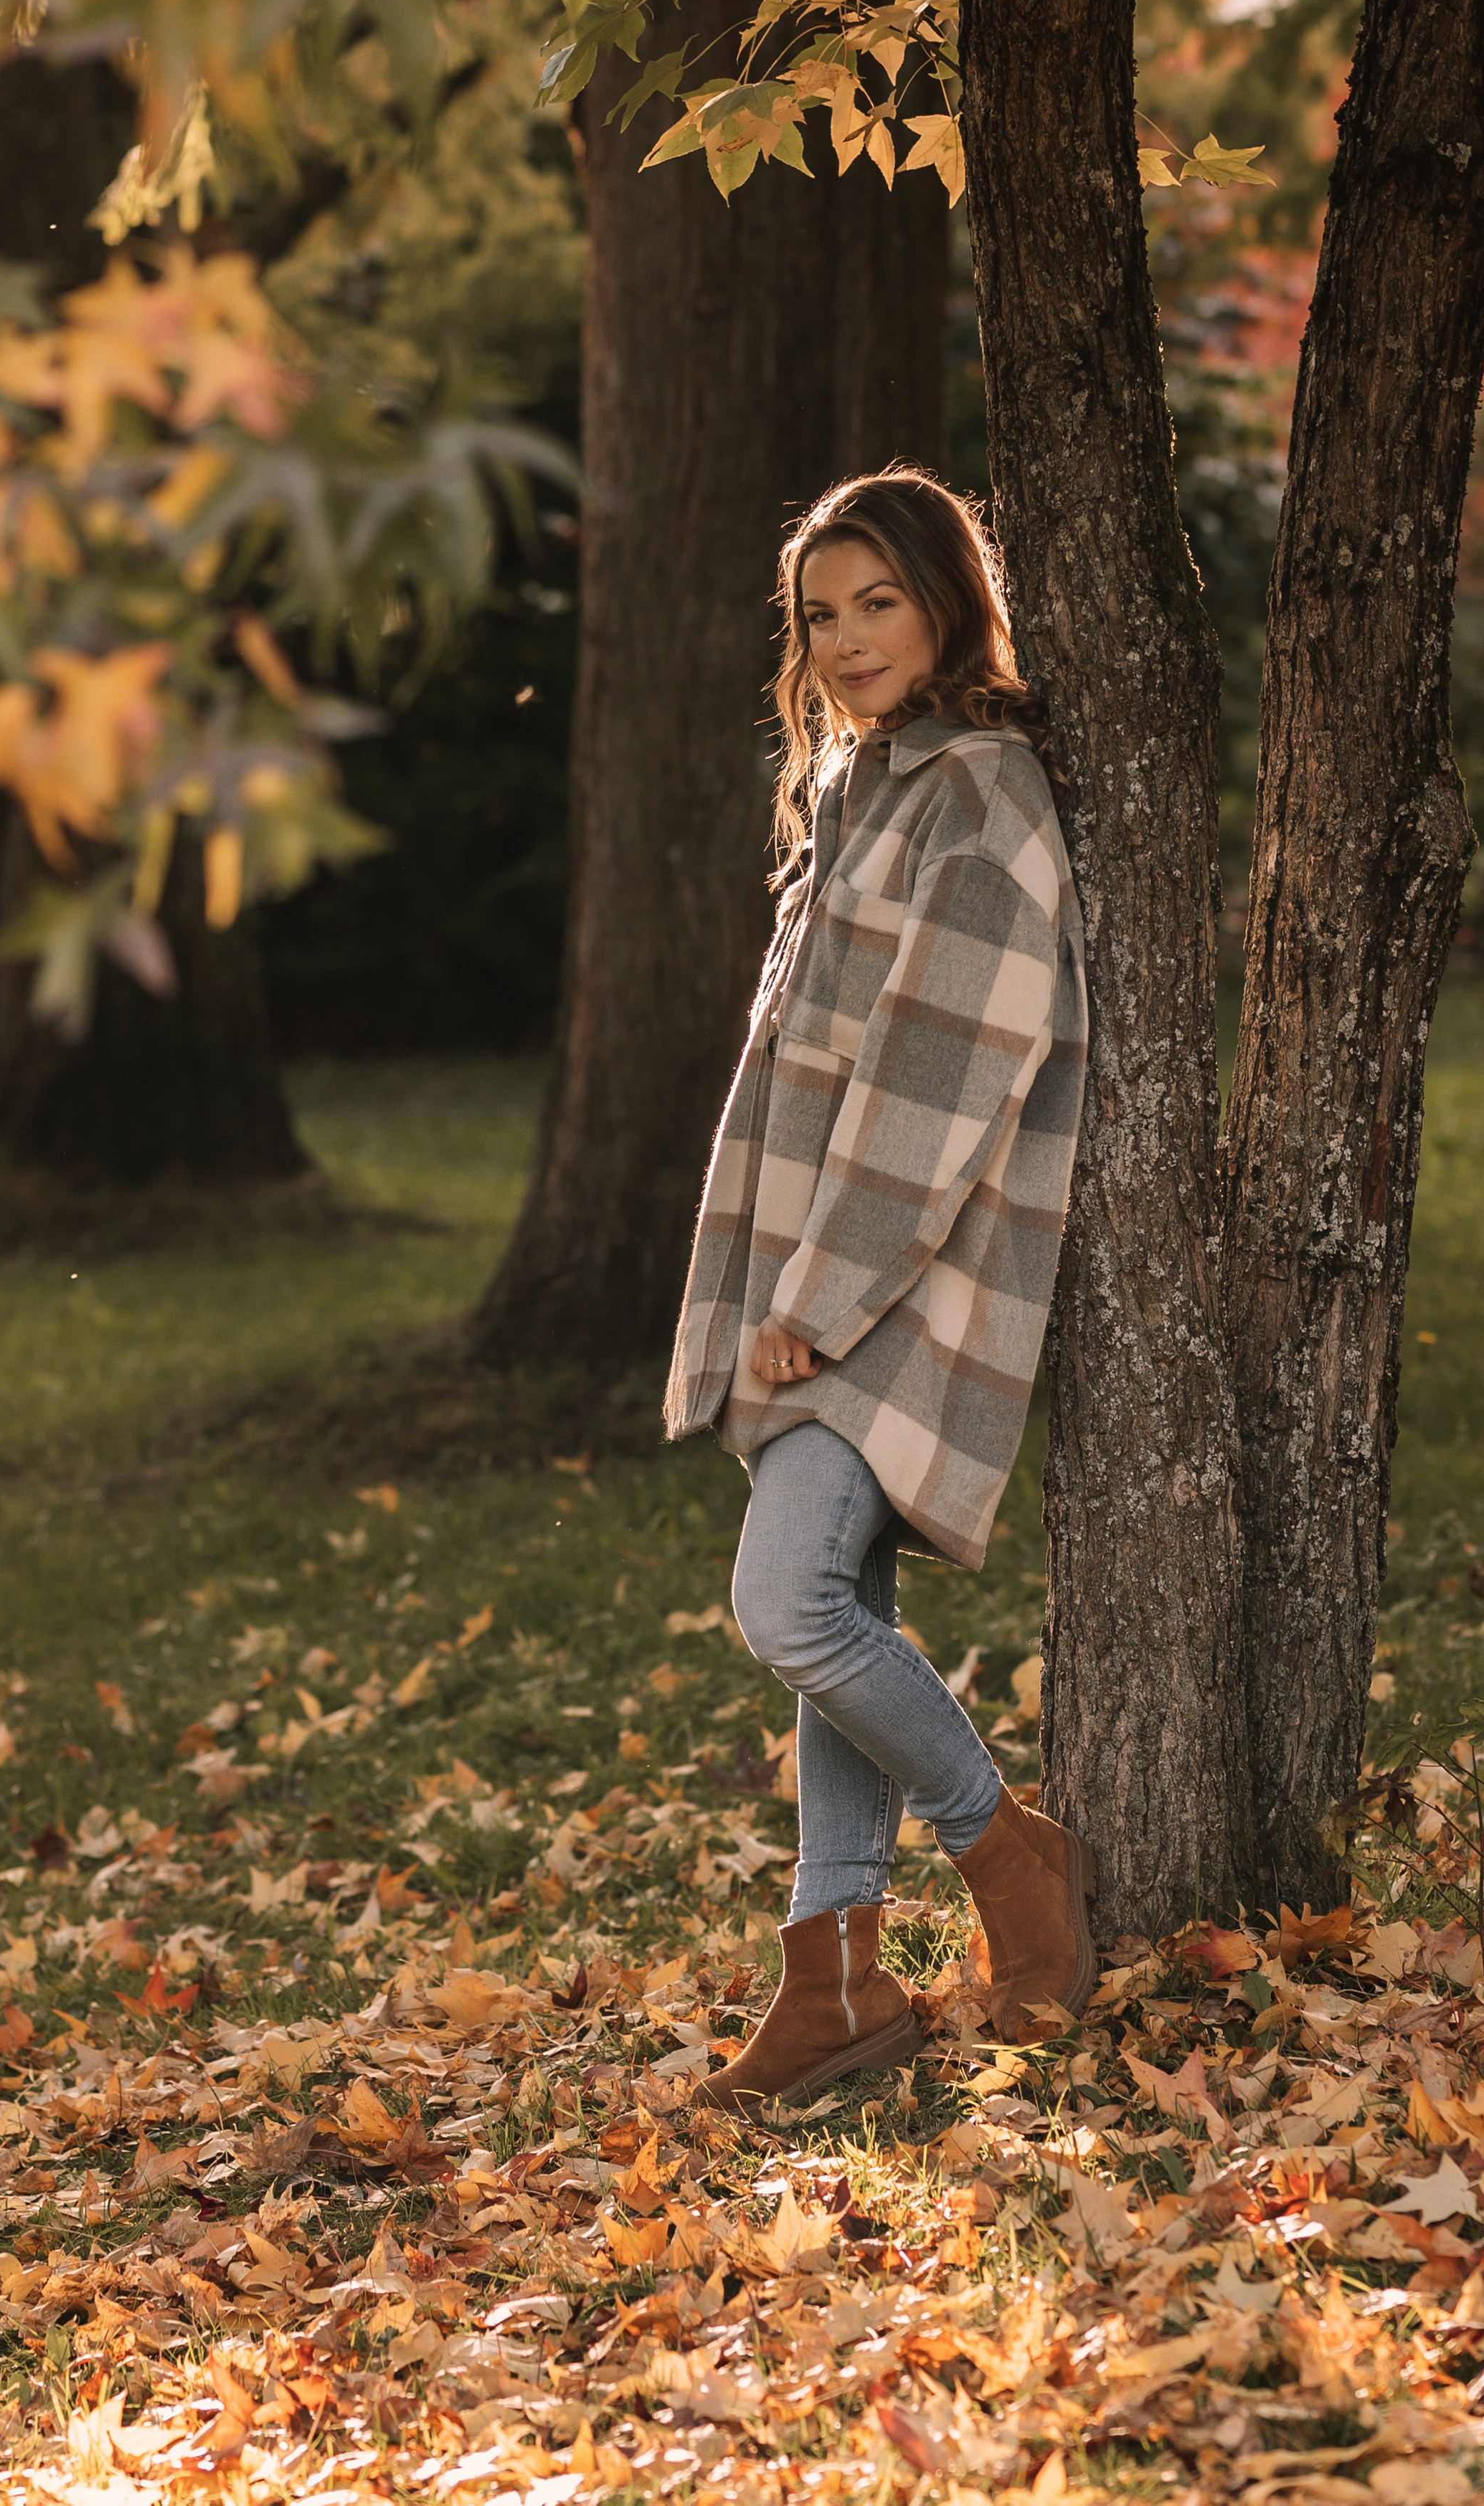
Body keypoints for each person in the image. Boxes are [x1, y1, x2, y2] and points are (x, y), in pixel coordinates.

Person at [664, 465, 1092, 2114]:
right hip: (824, 1273)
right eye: (819, 614)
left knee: (790, 1608)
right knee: (839, 1612)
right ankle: (832, 1982)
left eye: (878, 605)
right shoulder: (866, 786)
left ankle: (1007, 1856)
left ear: (947, 604)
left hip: (901, 1280)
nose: (843, 642)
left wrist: (823, 1294)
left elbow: (944, 1073)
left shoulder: (979, 792)